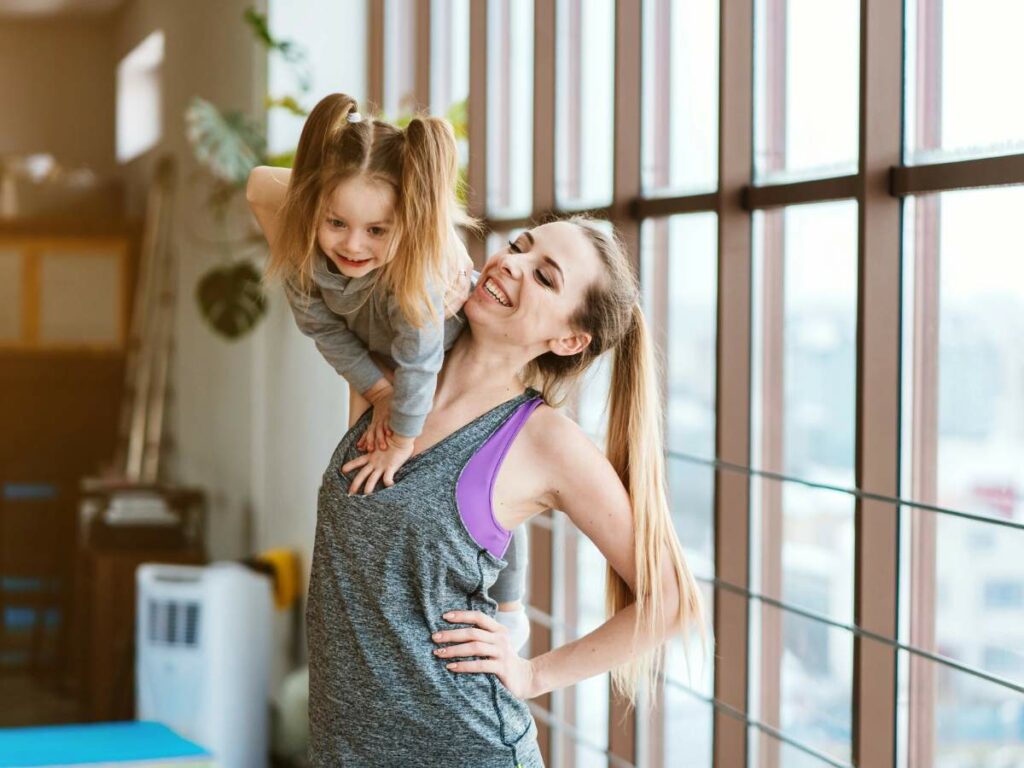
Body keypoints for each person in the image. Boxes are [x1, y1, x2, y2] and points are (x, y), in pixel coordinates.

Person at [308, 219, 704, 766]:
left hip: (467, 749)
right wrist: (426, 228)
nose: (511, 263)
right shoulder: (392, 372)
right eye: (519, 245)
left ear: (568, 340)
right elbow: (272, 192)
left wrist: (532, 672)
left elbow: (672, 599)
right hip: (344, 751)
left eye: (544, 277)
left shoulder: (544, 441)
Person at [246, 93, 530, 649]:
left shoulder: (420, 267)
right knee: (375, 477)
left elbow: (422, 355)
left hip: (447, 351)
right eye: (337, 222)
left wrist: (402, 436)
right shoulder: (304, 252)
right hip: (384, 361)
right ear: (313, 208)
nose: (353, 244)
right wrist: (378, 390)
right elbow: (323, 330)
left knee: (483, 468)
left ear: (408, 221)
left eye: (377, 230)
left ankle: (511, 602)